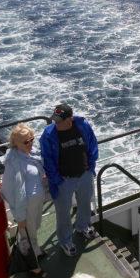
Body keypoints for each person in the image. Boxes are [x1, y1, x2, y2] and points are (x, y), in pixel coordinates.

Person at [40, 103, 99, 257]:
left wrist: (90, 168)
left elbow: (92, 144)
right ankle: (65, 240)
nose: (56, 124)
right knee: (63, 213)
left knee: (85, 203)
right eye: (55, 120)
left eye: (59, 121)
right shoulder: (48, 134)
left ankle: (83, 226)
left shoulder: (82, 126)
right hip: (63, 180)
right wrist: (57, 180)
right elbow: (47, 160)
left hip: (84, 174)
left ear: (69, 119)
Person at [0, 123, 48, 276]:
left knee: (34, 229)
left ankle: (36, 251)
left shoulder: (31, 153)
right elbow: (14, 192)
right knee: (27, 235)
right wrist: (19, 217)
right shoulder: (14, 162)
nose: (30, 143)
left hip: (36, 202)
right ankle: (33, 267)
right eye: (26, 141)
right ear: (15, 144)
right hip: (26, 206)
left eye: (32, 139)